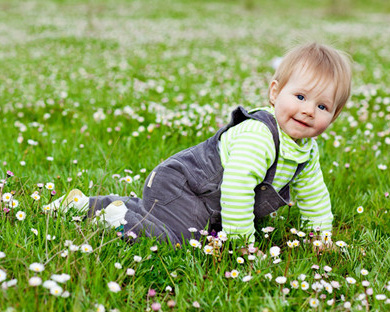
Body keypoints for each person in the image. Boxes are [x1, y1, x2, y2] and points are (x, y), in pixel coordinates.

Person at [47, 42, 352, 245]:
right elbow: (236, 187)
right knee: (176, 238)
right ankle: (116, 217)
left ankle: (86, 204)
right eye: (300, 96)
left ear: (334, 116)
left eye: (323, 106)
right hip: (184, 185)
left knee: (169, 221)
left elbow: (314, 195)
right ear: (275, 93)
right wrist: (240, 242)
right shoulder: (261, 137)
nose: (308, 110)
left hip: (206, 201)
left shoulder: (306, 152)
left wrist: (321, 236)